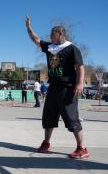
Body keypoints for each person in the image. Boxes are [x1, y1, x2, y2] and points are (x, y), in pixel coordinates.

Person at [25, 16, 89, 158]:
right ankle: (46, 143)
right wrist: (29, 27)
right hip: (53, 87)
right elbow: (35, 39)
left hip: (68, 88)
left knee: (71, 118)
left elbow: (80, 67)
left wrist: (79, 83)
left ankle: (82, 148)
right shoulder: (50, 47)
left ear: (60, 34)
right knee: (48, 117)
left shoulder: (72, 49)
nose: (49, 36)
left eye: (52, 34)